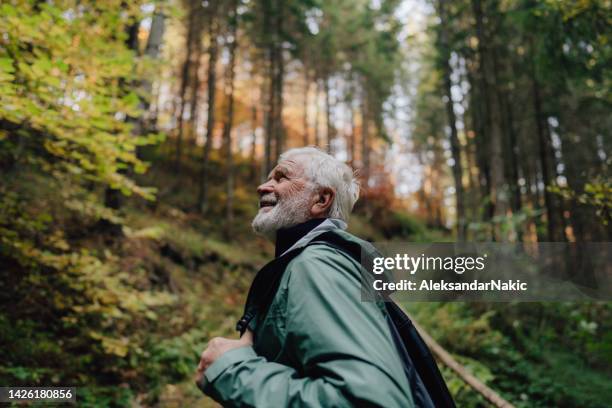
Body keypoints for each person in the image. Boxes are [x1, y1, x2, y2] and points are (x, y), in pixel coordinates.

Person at [195, 147, 414, 407]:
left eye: (281, 177)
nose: (262, 186)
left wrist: (230, 370)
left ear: (321, 199)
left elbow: (367, 401)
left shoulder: (318, 265)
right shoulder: (312, 262)